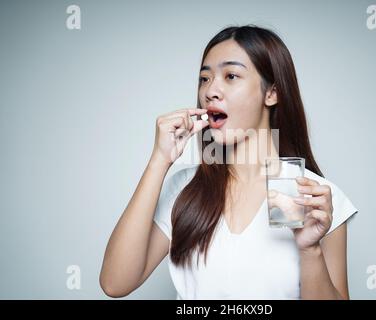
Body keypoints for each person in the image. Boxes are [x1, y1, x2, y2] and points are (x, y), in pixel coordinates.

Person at [100, 25, 358, 300]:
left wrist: (310, 250)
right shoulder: (185, 188)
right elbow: (115, 283)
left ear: (272, 93)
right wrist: (159, 160)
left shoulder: (315, 196)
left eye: (231, 76)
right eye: (204, 78)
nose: (211, 90)